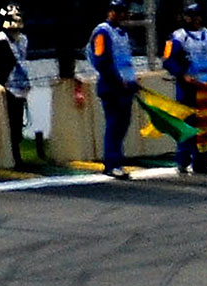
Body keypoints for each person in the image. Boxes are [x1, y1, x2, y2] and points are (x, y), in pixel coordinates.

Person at [162, 2, 207, 174]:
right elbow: (168, 60)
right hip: (187, 87)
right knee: (186, 124)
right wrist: (183, 75)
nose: (195, 20)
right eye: (192, 16)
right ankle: (183, 159)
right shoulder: (178, 37)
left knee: (204, 126)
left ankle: (200, 161)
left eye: (198, 16)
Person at [88, 0, 137, 178]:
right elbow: (102, 61)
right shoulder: (103, 32)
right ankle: (112, 163)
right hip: (112, 86)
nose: (123, 15)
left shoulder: (122, 34)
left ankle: (117, 161)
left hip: (126, 85)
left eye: (125, 11)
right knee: (114, 125)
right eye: (119, 11)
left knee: (122, 125)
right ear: (111, 12)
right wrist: (117, 81)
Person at [0, 5, 32, 167]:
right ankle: (13, 156)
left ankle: (17, 154)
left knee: (18, 122)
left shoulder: (23, 40)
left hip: (20, 86)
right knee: (10, 123)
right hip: (7, 86)